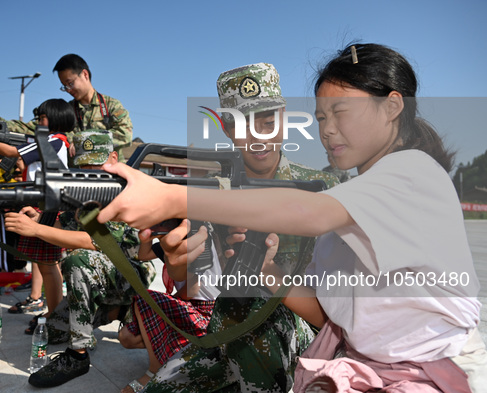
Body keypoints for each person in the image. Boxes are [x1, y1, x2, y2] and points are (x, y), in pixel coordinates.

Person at [98, 43, 487, 393]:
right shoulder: (229, 191)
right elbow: (326, 309)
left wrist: (170, 197)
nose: (328, 130)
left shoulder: (401, 174)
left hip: (427, 370)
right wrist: (260, 269)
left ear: (392, 107)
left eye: (341, 112)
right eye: (321, 118)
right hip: (350, 359)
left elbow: (308, 213)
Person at [117, 63, 339, 393]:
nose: (259, 135)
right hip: (226, 328)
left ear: (283, 118)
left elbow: (341, 305)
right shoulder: (211, 193)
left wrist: (268, 268)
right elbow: (191, 278)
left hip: (306, 330)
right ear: (227, 129)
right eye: (245, 125)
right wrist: (180, 262)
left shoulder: (321, 187)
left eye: (268, 121)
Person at [4, 130, 156, 388]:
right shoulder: (85, 189)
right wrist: (39, 218)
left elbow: (96, 242)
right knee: (52, 330)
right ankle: (113, 310)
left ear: (114, 157)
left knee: (78, 260)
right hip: (105, 276)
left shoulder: (125, 191)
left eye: (96, 164)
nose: (90, 170)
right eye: (84, 165)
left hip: (132, 274)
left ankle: (78, 354)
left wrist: (36, 230)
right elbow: (68, 222)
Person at [0, 98, 73, 327]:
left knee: (48, 264)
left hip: (46, 206)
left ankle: (56, 315)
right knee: (45, 263)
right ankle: (54, 313)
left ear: (55, 118)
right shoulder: (53, 141)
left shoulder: (53, 141)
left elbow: (15, 152)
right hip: (43, 205)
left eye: (42, 118)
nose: (38, 122)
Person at [118, 219, 218, 393]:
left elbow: (191, 290)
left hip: (206, 315)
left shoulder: (196, 241)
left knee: (147, 301)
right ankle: (173, 357)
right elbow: (143, 254)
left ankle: (155, 371)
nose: (157, 227)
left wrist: (162, 311)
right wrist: (147, 235)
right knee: (127, 336)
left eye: (163, 223)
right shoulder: (172, 240)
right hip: (189, 306)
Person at [0, 53, 133, 163]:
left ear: (85, 74)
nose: (69, 89)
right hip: (77, 175)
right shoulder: (66, 109)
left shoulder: (111, 106)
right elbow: (35, 127)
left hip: (110, 175)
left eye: (70, 83)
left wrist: (80, 141)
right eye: (64, 86)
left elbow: (125, 135)